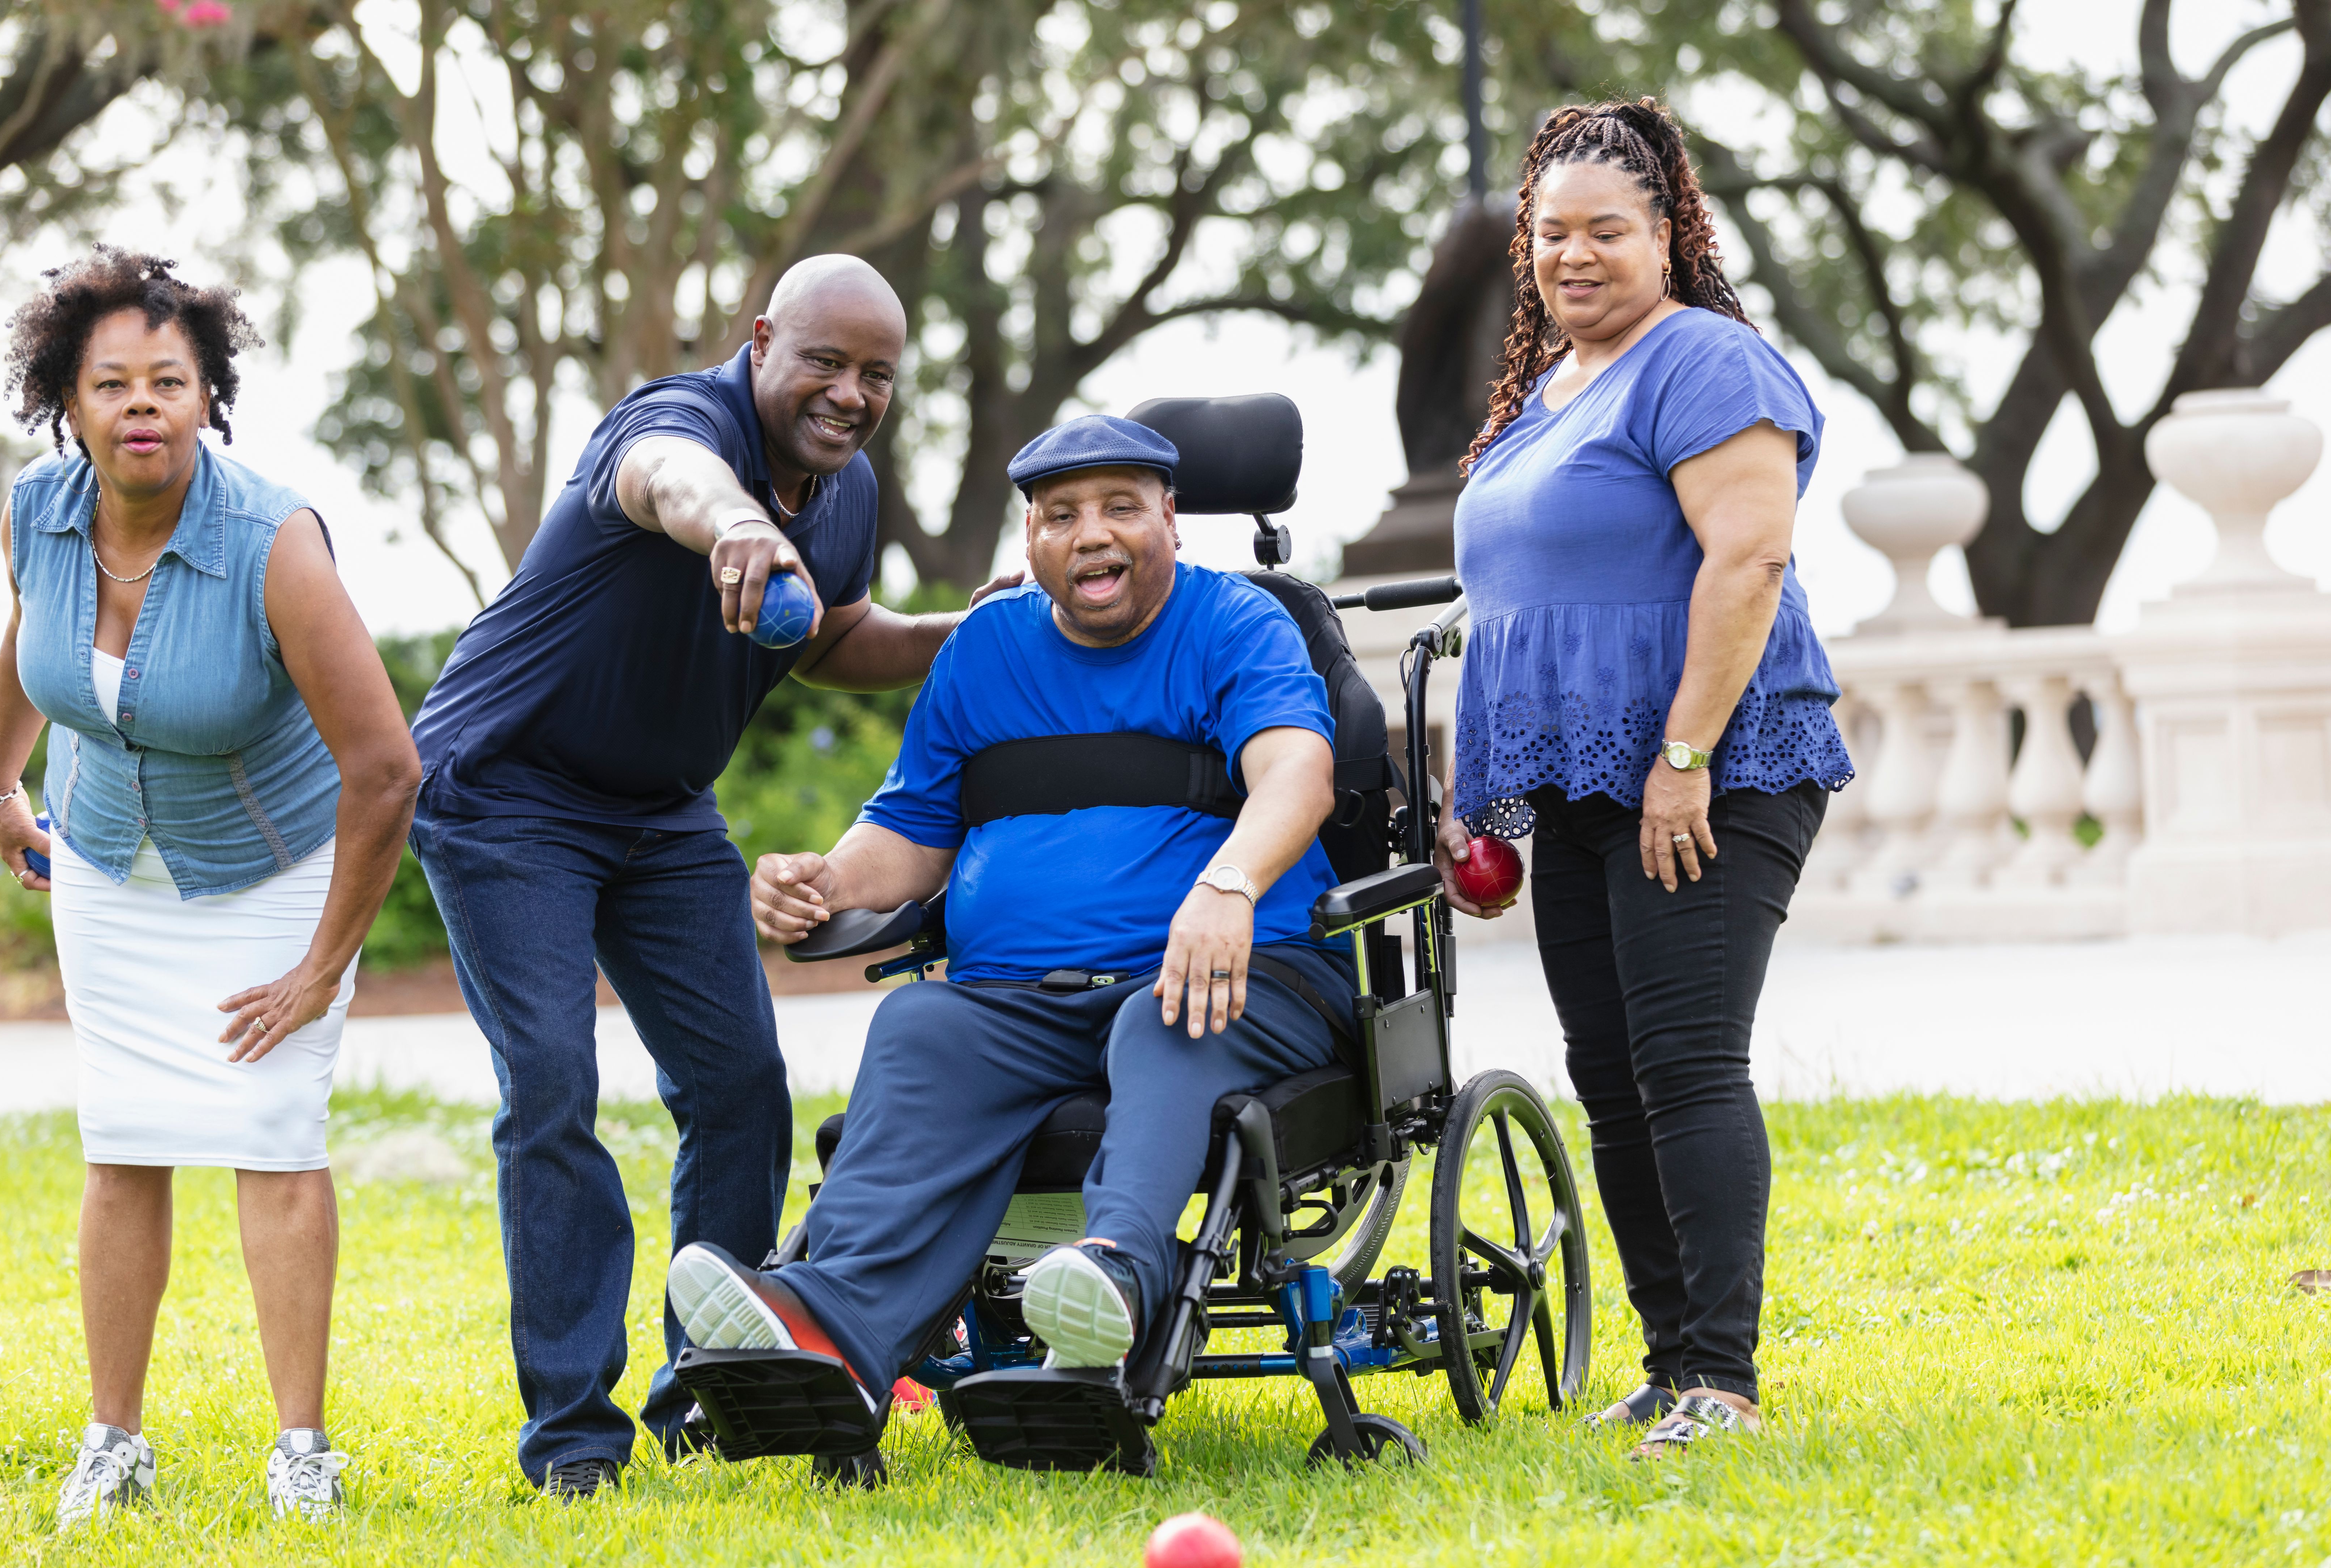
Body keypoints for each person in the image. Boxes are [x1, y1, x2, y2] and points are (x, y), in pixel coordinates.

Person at [404, 254, 1015, 1496]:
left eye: (878, 375)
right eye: (826, 363)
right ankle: (575, 1440)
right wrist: (736, 520)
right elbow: (667, 482)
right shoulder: (680, 427)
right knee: (553, 1085)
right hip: (508, 789)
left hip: (662, 810)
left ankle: (712, 1391)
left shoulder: (845, 490)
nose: (850, 393)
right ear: (760, 344)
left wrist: (973, 629)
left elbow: (838, 633)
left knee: (741, 1086)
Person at [660, 415, 1352, 1433]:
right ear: (1030, 539)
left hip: (1235, 976)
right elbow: (910, 828)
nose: (1091, 535)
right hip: (1019, 998)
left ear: (1171, 517)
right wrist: (827, 878)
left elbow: (1298, 770)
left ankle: (1113, 1278)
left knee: (1158, 1019)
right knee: (920, 1026)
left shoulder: (1239, 623)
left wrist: (1229, 885)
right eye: (1062, 514)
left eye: (1121, 507)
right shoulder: (986, 649)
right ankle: (824, 1328)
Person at [0, 246, 420, 1528]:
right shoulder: (38, 516)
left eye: (169, 380)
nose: (141, 406)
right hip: (107, 870)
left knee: (273, 1143)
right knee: (121, 1147)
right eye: (110, 383)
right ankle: (113, 1441)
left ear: (208, 396)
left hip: (272, 880)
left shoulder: (273, 542)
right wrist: (4, 786)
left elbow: (387, 772)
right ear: (69, 401)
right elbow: (28, 637)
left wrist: (321, 967)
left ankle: (303, 1451)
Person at [1436, 100, 1853, 1458]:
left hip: (1714, 772)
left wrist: (1683, 760)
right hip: (1580, 789)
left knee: (1684, 1061)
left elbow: (1751, 563)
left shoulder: (1707, 364)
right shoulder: (1546, 391)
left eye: (1606, 231)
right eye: (1550, 234)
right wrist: (1478, 796)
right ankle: (1673, 1358)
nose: (1574, 256)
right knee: (1609, 1074)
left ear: (1667, 235)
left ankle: (1722, 1380)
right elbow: (1515, 606)